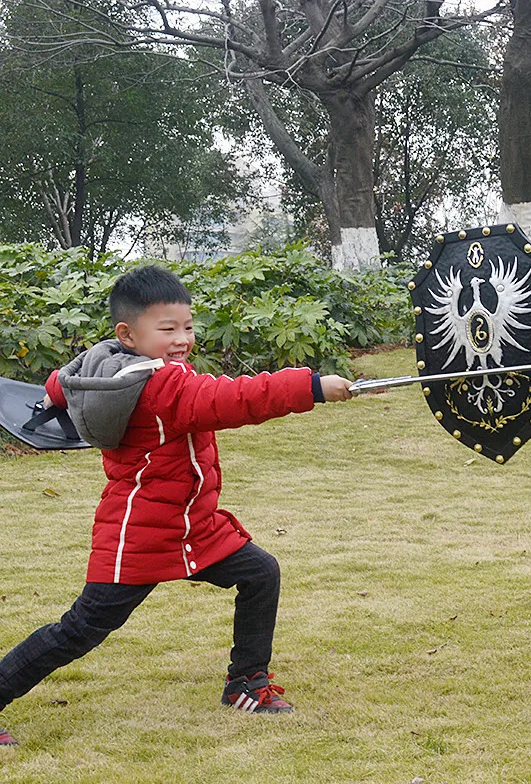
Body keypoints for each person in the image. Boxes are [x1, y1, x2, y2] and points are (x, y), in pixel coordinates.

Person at [0, 265, 354, 746]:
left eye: (187, 326)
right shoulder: (159, 387)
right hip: (141, 533)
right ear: (128, 334)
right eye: (167, 329)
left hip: (191, 527)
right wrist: (311, 387)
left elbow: (63, 383)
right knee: (81, 629)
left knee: (259, 572)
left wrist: (52, 396)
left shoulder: (110, 366)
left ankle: (246, 683)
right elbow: (234, 398)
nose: (182, 339)